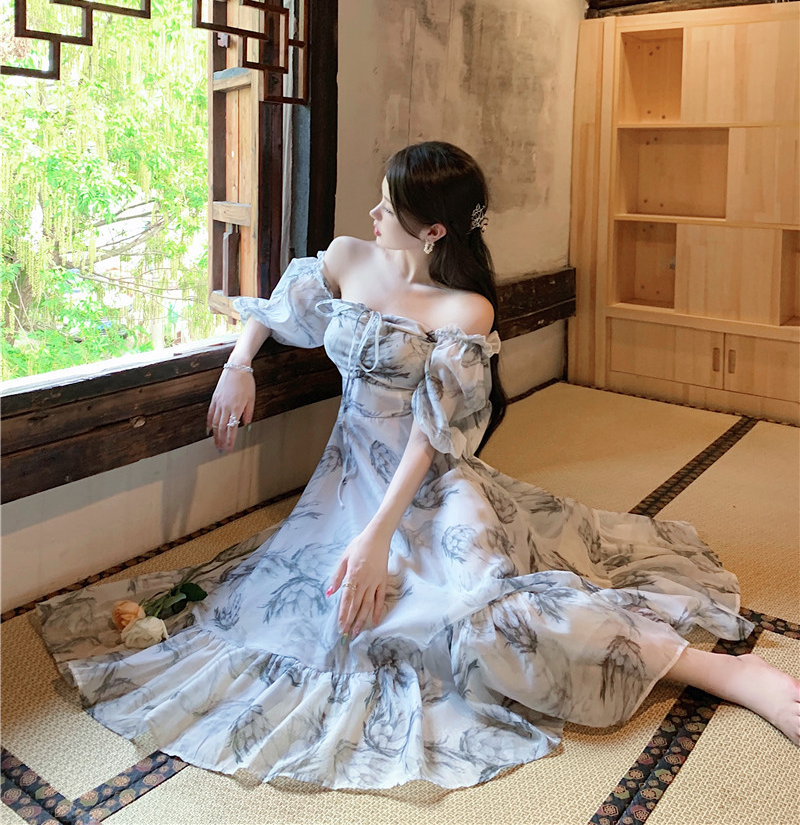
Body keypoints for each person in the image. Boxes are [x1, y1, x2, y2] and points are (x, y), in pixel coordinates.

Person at [41, 142, 798, 790]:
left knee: (488, 613)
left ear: (433, 229)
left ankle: (722, 672)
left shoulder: (465, 310)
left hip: (429, 480)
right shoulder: (349, 256)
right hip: (344, 480)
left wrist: (378, 535)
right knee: (322, 619)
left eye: (389, 205)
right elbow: (282, 303)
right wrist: (238, 365)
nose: (373, 212)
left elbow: (433, 432)